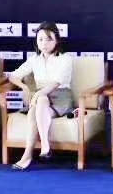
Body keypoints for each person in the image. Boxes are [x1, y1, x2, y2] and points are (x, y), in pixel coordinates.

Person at [6, 22, 74, 170]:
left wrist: (37, 94)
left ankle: (29, 155)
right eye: (40, 39)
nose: (44, 43)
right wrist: (24, 87)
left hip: (60, 97)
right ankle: (42, 147)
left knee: (38, 104)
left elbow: (56, 83)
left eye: (49, 39)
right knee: (39, 103)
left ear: (57, 40)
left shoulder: (65, 58)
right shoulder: (34, 59)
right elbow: (13, 76)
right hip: (41, 99)